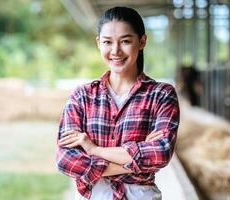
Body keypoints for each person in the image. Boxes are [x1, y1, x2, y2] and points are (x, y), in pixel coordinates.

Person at [56, 6, 180, 200]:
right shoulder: (82, 96)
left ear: (142, 41)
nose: (115, 51)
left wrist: (94, 150)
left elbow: (160, 153)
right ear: (98, 43)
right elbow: (66, 160)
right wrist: (136, 156)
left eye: (125, 41)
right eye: (107, 42)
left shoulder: (161, 94)